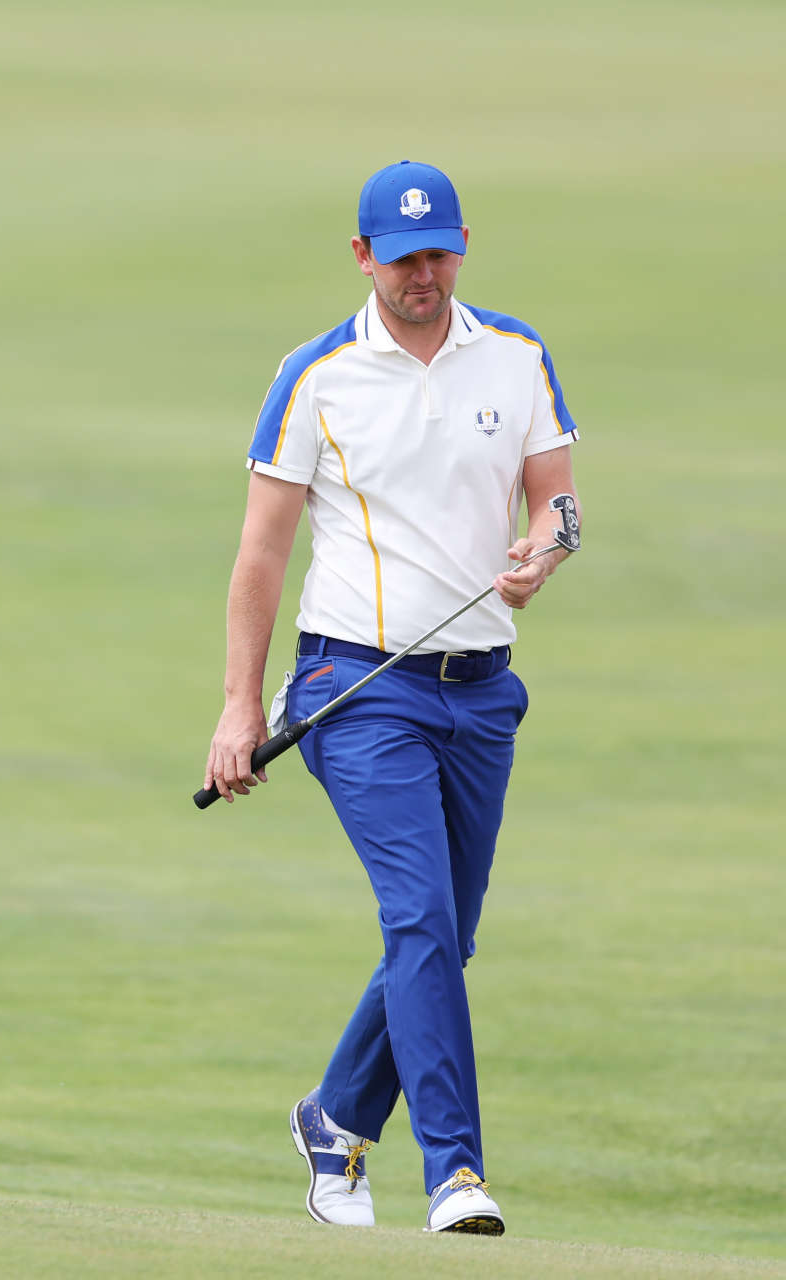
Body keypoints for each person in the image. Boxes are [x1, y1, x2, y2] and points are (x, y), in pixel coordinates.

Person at [202, 160, 580, 1232]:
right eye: (403, 255)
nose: (425, 272)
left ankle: (336, 1115)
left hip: (482, 687)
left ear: (460, 247)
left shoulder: (515, 354)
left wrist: (543, 555)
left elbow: (561, 503)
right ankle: (455, 1172)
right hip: (353, 686)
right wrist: (240, 708)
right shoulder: (317, 376)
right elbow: (260, 557)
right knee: (418, 915)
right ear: (363, 255)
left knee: (444, 937)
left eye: (440, 251)